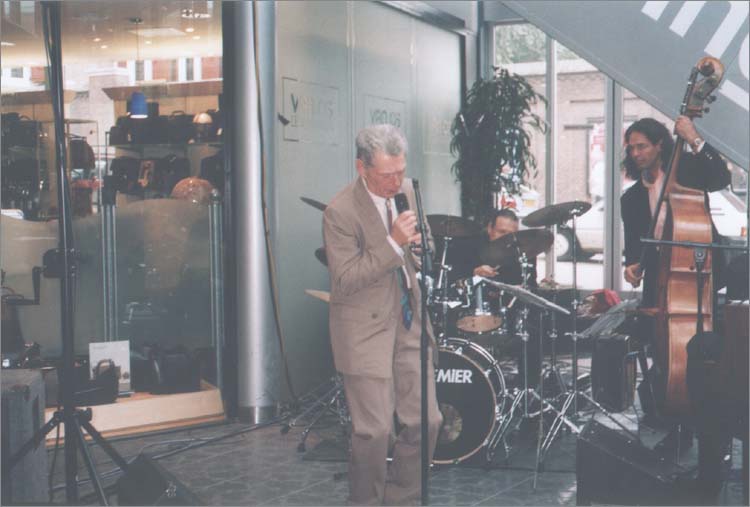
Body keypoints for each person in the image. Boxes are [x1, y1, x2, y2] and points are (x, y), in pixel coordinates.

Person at [323, 124, 442, 506]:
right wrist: (394, 243)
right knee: (374, 433)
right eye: (387, 174)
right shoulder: (339, 212)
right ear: (362, 167)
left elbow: (422, 242)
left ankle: (401, 499)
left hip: (408, 323)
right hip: (364, 331)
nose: (397, 181)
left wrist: (422, 248)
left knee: (428, 421)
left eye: (401, 171)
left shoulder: (406, 192)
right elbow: (345, 279)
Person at [620, 115, 731, 499]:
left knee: (704, 369)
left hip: (699, 284)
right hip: (660, 291)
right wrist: (631, 266)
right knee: (658, 362)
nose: (635, 154)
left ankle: (712, 454)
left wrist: (695, 137)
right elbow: (634, 250)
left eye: (641, 146)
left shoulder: (687, 174)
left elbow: (721, 178)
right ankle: (673, 432)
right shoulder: (630, 198)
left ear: (660, 145)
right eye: (631, 148)